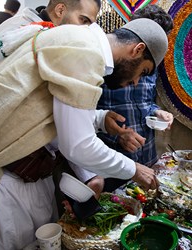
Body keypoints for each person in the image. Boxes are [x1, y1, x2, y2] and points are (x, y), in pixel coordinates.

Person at [0, 18, 167, 250]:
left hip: (35, 174)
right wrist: (134, 169)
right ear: (137, 49)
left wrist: (100, 119)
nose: (134, 82)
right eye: (142, 72)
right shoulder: (86, 51)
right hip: (8, 178)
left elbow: (55, 114)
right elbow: (78, 145)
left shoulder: (82, 42)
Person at [70, 5, 175, 191]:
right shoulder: (100, 65)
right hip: (111, 165)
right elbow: (76, 131)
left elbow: (145, 103)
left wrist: (157, 111)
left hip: (146, 158)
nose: (136, 82)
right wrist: (116, 136)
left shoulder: (146, 63)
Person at [0, 0, 100, 70]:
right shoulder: (25, 32)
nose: (86, 28)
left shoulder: (41, 32)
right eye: (83, 20)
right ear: (60, 10)